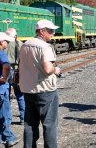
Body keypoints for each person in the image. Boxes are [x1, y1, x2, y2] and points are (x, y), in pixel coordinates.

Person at [19, 20, 61, 148]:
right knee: (49, 125)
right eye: (50, 31)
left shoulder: (25, 45)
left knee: (30, 124)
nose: (53, 33)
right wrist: (57, 70)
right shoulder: (45, 47)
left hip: (28, 90)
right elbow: (48, 69)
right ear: (41, 31)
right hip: (45, 91)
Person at [0, 32, 19, 147]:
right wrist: (4, 78)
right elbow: (6, 66)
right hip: (1, 89)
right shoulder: (1, 53)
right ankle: (9, 137)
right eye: (6, 41)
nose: (7, 43)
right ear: (1, 42)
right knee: (4, 114)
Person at [5, 28, 25, 125]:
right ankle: (23, 118)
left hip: (5, 72)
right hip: (17, 72)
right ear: (15, 35)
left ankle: (6, 119)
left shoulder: (3, 45)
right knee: (20, 96)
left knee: (6, 96)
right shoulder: (20, 44)